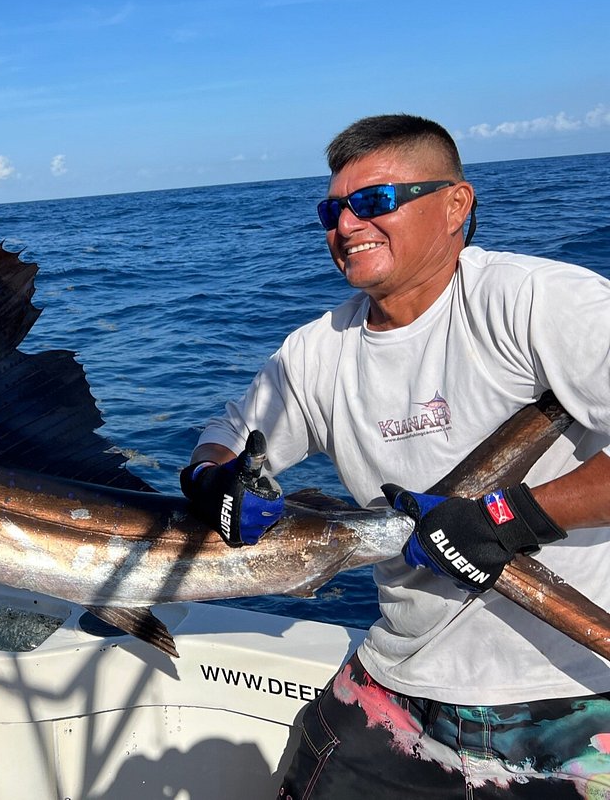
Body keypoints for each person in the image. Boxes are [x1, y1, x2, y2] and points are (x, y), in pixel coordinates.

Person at [182, 114, 610, 798]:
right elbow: (231, 431)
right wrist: (212, 476)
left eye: (375, 201)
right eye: (333, 208)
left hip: (568, 695)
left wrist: (510, 517)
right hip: (398, 684)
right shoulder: (318, 350)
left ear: (455, 205)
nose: (347, 225)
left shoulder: (535, 301)